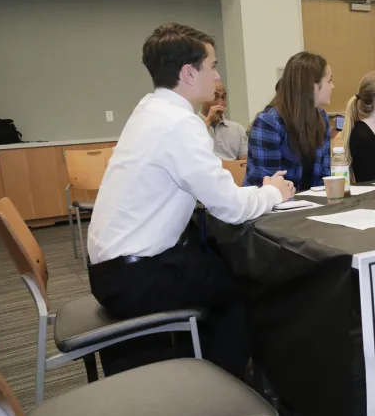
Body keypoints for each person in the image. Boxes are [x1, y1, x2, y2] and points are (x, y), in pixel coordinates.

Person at [86, 23, 295, 378]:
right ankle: (221, 386)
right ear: (188, 72)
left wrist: (259, 192)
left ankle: (203, 366)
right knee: (250, 280)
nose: (217, 76)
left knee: (219, 263)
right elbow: (228, 206)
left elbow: (213, 189)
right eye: (212, 66)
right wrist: (273, 192)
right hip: (134, 277)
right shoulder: (180, 125)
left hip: (112, 268)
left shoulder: (151, 109)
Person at [245, 52, 333, 189]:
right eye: (329, 80)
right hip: (273, 205)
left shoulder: (322, 118)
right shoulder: (268, 123)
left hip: (311, 205)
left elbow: (325, 177)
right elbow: (269, 186)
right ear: (312, 86)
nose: (333, 86)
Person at [199, 81, 248, 160]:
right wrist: (208, 121)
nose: (220, 103)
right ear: (201, 98)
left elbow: (243, 165)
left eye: (223, 98)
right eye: (215, 97)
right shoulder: (191, 124)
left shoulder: (238, 129)